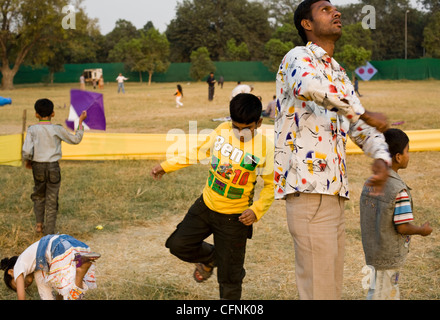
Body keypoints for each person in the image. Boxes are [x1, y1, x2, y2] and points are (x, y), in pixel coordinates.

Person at [275, 0, 391, 300]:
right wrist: (364, 113)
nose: (336, 12)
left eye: (335, 8)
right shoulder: (297, 58)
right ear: (307, 24)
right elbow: (309, 88)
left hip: (334, 191)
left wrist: (380, 156)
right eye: (326, 10)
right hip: (309, 189)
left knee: (329, 287)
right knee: (319, 289)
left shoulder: (337, 72)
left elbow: (357, 124)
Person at [151, 93, 274, 300]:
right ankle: (214, 258)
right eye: (236, 127)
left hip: (234, 219)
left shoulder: (265, 148)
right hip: (206, 206)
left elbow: (272, 186)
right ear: (229, 121)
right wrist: (166, 166)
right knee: (177, 245)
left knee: (230, 279)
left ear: (259, 123)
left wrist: (256, 210)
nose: (241, 133)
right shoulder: (221, 131)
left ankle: (228, 264)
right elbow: (198, 152)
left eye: (248, 129)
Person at [360, 128, 432, 300]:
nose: (409, 156)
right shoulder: (398, 190)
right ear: (398, 157)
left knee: (379, 290)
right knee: (385, 293)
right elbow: (402, 226)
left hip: (373, 251)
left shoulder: (370, 183)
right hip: (389, 255)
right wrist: (421, 230)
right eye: (408, 151)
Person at [22, 98, 87, 235]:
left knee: (39, 195)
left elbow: (27, 151)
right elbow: (75, 140)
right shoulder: (57, 129)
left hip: (37, 167)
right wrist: (80, 122)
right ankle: (49, 233)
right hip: (53, 167)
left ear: (36, 114)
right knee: (52, 199)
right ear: (53, 114)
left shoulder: (32, 130)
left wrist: (29, 161)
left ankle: (39, 225)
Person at [1, 234, 100, 300]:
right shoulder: (38, 270)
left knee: (70, 293)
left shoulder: (18, 266)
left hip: (57, 249)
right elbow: (56, 293)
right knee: (67, 288)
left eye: (17, 286)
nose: (25, 287)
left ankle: (81, 271)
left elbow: (21, 298)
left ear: (11, 272)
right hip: (71, 245)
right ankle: (81, 266)